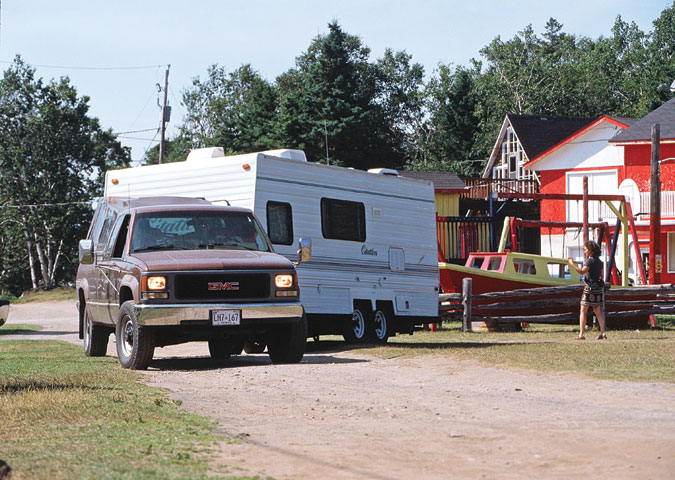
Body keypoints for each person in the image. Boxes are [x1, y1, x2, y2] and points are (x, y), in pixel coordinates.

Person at [568, 240, 607, 340]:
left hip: (589, 288)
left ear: (590, 250)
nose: (584, 251)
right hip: (597, 288)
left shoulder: (589, 261)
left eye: (585, 249)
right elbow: (602, 276)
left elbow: (582, 272)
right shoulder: (600, 262)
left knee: (583, 310)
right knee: (598, 311)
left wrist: (572, 264)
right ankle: (602, 333)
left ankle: (581, 334)